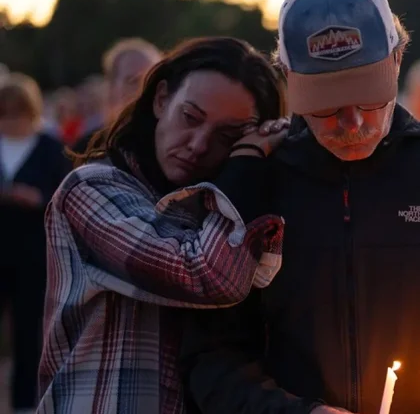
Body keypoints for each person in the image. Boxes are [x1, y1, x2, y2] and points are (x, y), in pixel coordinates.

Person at [180, 0, 420, 413]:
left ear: (397, 60)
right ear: (288, 77)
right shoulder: (256, 181)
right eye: (327, 104)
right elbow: (210, 352)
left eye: (368, 96)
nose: (353, 123)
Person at [38, 37, 287, 414]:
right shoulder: (90, 188)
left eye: (228, 137)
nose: (199, 145)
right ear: (160, 99)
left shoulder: (211, 206)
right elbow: (205, 275)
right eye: (190, 117)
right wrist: (249, 155)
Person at [0, 73, 71, 414]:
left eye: (18, 113)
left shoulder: (49, 147)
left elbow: (62, 195)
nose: (11, 121)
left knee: (29, 332)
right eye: (5, 113)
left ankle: (24, 404)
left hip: (33, 253)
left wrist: (36, 197)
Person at [72, 38, 162, 154]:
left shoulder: (165, 149)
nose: (143, 90)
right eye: (133, 81)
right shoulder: (87, 150)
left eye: (150, 80)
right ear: (112, 87)